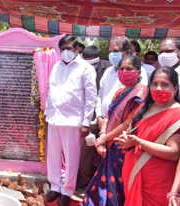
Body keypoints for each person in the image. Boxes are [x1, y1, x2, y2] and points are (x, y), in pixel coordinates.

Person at [83, 55, 148, 206]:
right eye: (122, 69)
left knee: (118, 188)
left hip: (123, 148)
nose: (124, 72)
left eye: (129, 69)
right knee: (102, 187)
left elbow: (128, 123)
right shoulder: (119, 92)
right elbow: (108, 115)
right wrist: (103, 138)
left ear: (138, 72)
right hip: (109, 145)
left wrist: (105, 139)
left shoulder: (141, 92)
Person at [115, 67, 180, 206]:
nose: (159, 88)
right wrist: (126, 139)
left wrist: (139, 142)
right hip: (133, 173)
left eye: (165, 84)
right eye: (155, 84)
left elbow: (174, 153)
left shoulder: (177, 114)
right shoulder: (143, 108)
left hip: (158, 181)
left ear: (175, 89)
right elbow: (131, 133)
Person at [45, 35, 97, 206]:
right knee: (53, 156)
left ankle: (67, 189)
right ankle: (55, 186)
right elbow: (50, 91)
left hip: (73, 120)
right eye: (63, 49)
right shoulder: (56, 67)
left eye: (70, 48)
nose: (67, 52)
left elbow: (91, 97)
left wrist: (86, 122)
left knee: (71, 158)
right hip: (54, 118)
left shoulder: (85, 68)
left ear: (77, 49)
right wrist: (48, 113)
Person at [76, 46, 111, 190]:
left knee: (106, 153)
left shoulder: (108, 69)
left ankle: (104, 183)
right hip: (89, 118)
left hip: (108, 119)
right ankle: (84, 181)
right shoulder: (79, 68)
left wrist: (102, 117)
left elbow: (101, 94)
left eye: (93, 65)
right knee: (86, 152)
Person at [96, 37, 148, 132]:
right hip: (104, 123)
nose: (112, 54)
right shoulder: (108, 71)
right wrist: (99, 117)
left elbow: (136, 105)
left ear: (127, 52)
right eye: (110, 51)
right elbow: (100, 95)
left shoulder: (138, 73)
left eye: (115, 51)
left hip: (123, 128)